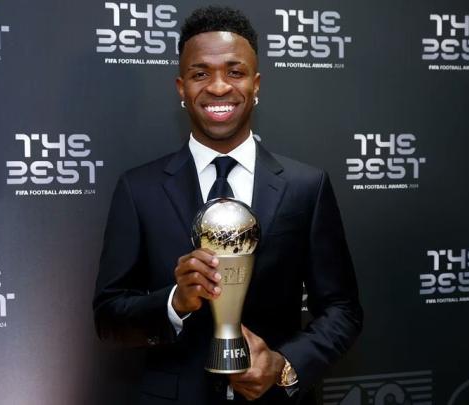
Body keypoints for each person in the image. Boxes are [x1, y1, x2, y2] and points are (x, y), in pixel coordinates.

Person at [93, 6, 362, 404]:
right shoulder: (139, 189)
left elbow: (342, 310)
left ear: (256, 84)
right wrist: (175, 302)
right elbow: (108, 317)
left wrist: (284, 365)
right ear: (181, 87)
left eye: (235, 72)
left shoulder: (306, 186)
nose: (219, 87)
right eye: (201, 74)